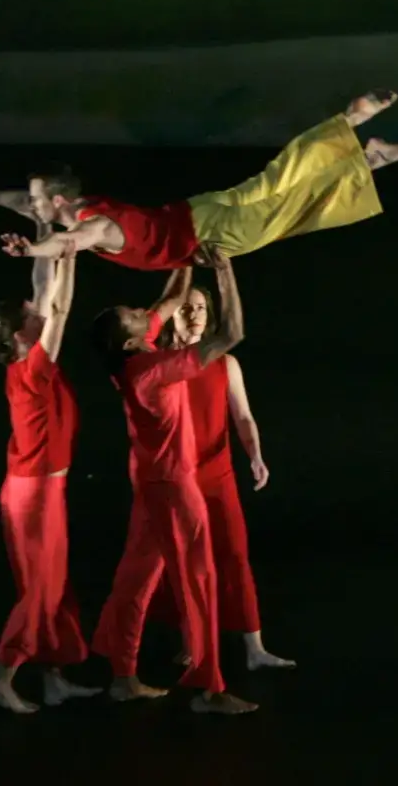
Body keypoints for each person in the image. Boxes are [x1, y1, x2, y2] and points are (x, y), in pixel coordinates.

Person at [0, 91, 398, 270]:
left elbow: (68, 244)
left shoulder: (93, 226)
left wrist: (34, 250)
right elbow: (26, 205)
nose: (33, 209)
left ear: (57, 201)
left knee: (288, 208)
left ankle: (367, 154)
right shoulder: (81, 206)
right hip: (200, 209)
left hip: (209, 233)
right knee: (277, 182)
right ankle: (353, 134)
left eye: (38, 203)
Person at [88, 252, 257, 715]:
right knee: (200, 579)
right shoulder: (150, 370)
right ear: (133, 340)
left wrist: (184, 253)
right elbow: (232, 335)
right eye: (136, 316)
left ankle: (123, 676)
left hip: (149, 483)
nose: (146, 313)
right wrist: (223, 271)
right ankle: (209, 688)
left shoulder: (134, 355)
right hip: (174, 488)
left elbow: (170, 299)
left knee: (135, 580)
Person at [0, 235, 100, 713]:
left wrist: (60, 251)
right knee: (40, 589)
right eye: (32, 315)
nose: (39, 311)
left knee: (56, 585)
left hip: (43, 491)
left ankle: (54, 678)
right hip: (34, 496)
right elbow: (61, 310)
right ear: (20, 334)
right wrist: (64, 258)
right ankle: (2, 675)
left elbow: (47, 294)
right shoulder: (31, 369)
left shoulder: (31, 363)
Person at [153, 286, 294, 672]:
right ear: (171, 314)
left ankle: (255, 648)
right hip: (177, 478)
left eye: (201, 308)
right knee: (181, 563)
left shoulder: (225, 363)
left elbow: (243, 416)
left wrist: (256, 456)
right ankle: (191, 642)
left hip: (218, 475)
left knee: (234, 556)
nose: (195, 314)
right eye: (186, 308)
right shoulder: (160, 362)